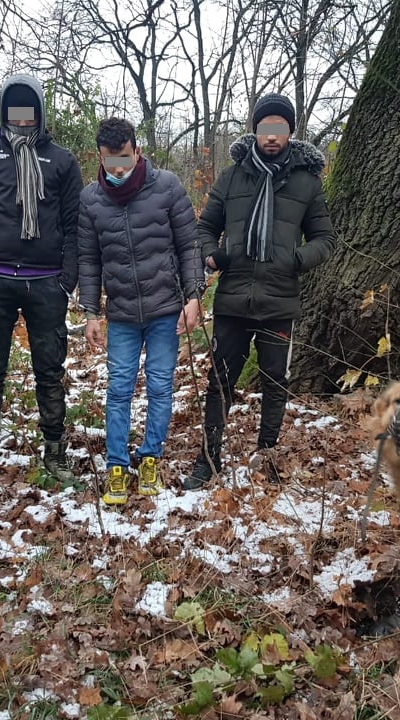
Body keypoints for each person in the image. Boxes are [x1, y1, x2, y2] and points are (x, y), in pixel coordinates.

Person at [182, 93, 335, 490]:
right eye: (265, 128)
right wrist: (212, 255)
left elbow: (325, 238)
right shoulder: (232, 177)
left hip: (279, 299)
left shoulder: (307, 182)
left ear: (290, 131)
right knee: (220, 380)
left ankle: (266, 455)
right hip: (233, 299)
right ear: (255, 130)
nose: (271, 136)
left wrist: (296, 259)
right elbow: (203, 228)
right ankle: (208, 458)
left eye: (279, 128)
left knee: (274, 381)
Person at [0, 73, 83, 481]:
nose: (23, 118)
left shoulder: (62, 160)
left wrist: (67, 278)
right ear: (5, 111)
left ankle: (54, 450)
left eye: (30, 110)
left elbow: (75, 225)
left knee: (50, 369)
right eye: (16, 109)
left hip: (47, 282)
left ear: (41, 112)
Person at [77, 118, 204, 505]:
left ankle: (150, 457)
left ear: (137, 151)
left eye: (125, 159)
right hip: (122, 315)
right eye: (110, 160)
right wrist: (90, 312)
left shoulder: (166, 186)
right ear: (99, 155)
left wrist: (194, 296)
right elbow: (89, 259)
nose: (118, 169)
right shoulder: (91, 199)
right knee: (118, 389)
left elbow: (189, 246)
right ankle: (116, 464)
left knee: (161, 385)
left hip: (167, 309)